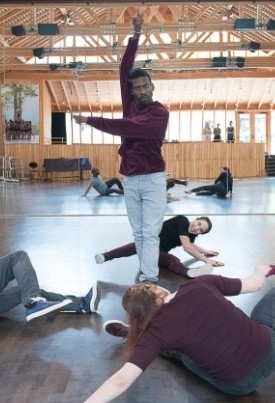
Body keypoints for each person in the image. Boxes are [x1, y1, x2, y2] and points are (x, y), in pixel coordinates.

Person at [47, 266, 275, 403]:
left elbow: (122, 381)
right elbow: (254, 284)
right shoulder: (200, 284)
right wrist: (260, 270)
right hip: (268, 347)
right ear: (155, 287)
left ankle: (135, 338)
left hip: (238, 386)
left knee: (180, 352)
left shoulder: (157, 331)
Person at [72, 13, 169, 283]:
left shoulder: (159, 114)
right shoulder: (131, 102)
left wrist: (91, 120)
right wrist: (135, 36)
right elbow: (124, 68)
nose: (142, 90)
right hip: (130, 178)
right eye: (137, 87)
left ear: (152, 86)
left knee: (150, 232)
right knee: (138, 233)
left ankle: (150, 279)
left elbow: (128, 128)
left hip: (153, 179)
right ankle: (145, 271)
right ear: (133, 91)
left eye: (146, 85)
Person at [95, 215, 221, 279]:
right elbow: (187, 247)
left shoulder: (189, 236)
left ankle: (190, 273)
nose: (196, 228)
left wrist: (205, 251)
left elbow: (192, 245)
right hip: (149, 244)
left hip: (157, 255)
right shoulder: (182, 221)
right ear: (196, 219)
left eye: (200, 230)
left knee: (172, 260)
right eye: (198, 223)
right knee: (139, 245)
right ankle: (106, 256)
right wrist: (206, 260)